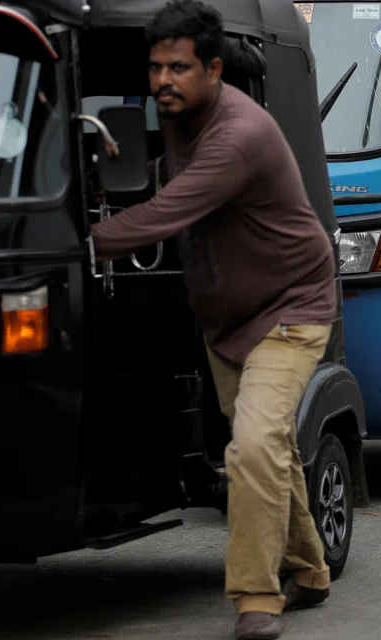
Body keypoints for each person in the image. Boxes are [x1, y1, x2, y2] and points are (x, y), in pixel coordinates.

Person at [87, 1, 335, 638]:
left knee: (250, 450)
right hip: (227, 321)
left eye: (179, 68)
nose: (163, 81)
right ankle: (309, 568)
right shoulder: (181, 119)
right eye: (155, 68)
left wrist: (79, 241)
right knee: (270, 449)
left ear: (215, 69)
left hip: (290, 309)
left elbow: (172, 207)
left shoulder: (238, 134)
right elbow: (170, 179)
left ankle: (256, 598)